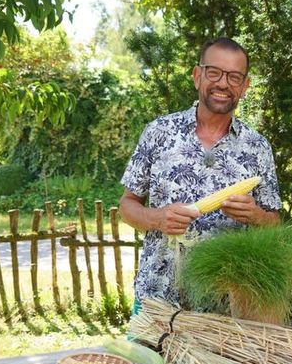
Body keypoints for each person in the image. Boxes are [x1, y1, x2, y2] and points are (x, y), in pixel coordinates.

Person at [119, 37, 282, 314]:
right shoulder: (159, 132)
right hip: (157, 299)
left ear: (245, 86)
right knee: (145, 361)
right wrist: (157, 218)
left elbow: (275, 223)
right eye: (214, 72)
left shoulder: (257, 147)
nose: (223, 83)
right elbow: (127, 205)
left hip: (226, 306)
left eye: (234, 77)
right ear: (197, 76)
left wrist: (254, 215)